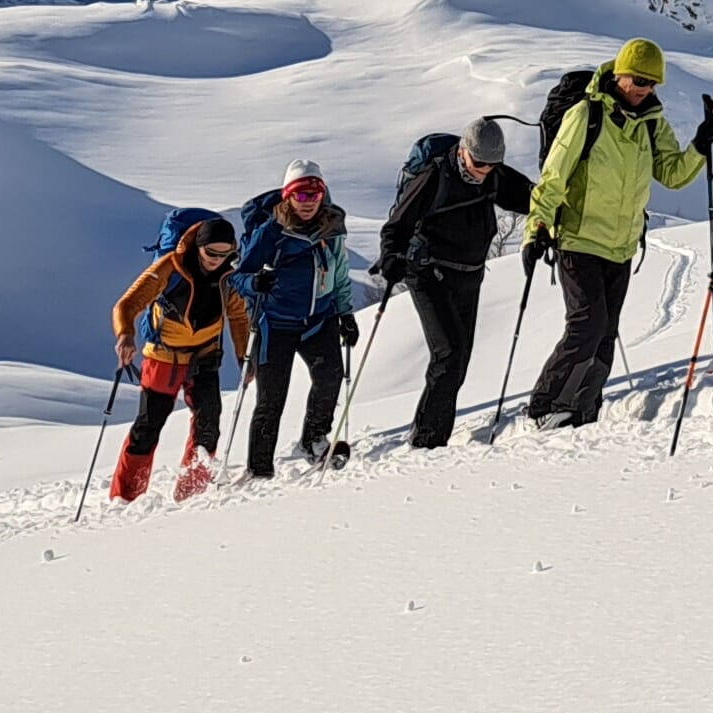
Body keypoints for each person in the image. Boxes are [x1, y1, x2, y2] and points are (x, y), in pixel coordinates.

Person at [523, 38, 700, 428]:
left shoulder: (651, 123)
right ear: (619, 73)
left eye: (652, 83)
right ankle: (546, 404)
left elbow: (672, 173)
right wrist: (536, 228)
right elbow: (554, 176)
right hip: (578, 239)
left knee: (605, 333)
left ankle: (585, 411)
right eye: (639, 80)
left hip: (620, 247)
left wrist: (701, 145)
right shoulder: (586, 115)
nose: (645, 89)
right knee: (586, 325)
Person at [376, 119, 526, 449]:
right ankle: (427, 440)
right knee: (449, 353)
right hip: (429, 273)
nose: (485, 170)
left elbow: (531, 197)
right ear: (463, 152)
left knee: (460, 358)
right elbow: (397, 226)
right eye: (479, 162)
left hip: (469, 274)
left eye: (493, 164)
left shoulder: (495, 176)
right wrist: (392, 257)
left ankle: (433, 433)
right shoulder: (435, 176)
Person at [103, 210, 252, 502]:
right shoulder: (170, 267)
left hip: (206, 354)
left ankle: (192, 493)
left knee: (208, 423)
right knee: (149, 426)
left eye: (225, 254)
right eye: (211, 252)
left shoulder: (230, 275)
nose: (216, 259)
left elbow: (238, 315)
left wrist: (244, 355)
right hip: (164, 356)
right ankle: (126, 497)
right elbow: (127, 304)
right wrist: (125, 335)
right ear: (199, 246)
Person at [235, 165, 358, 477]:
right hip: (275, 324)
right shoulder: (271, 232)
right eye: (300, 194)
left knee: (330, 378)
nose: (308, 201)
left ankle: (314, 440)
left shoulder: (331, 229)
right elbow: (238, 278)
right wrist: (254, 284)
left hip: (319, 319)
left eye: (314, 193)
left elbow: (339, 274)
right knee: (271, 399)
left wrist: (345, 313)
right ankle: (259, 468)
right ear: (288, 196)